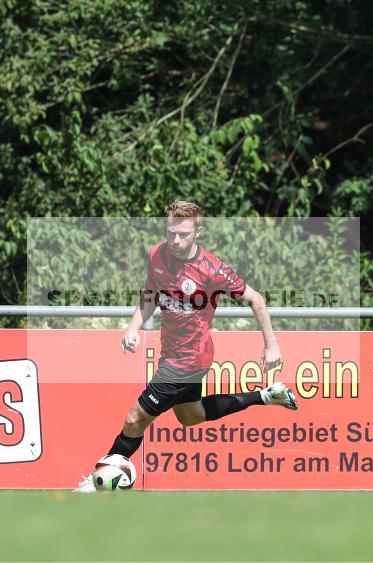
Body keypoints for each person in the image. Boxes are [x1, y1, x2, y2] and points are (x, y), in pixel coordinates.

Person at [75, 201, 297, 492]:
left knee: (135, 419)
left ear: (198, 233)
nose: (176, 241)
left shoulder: (212, 269)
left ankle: (98, 481)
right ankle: (266, 396)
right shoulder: (157, 254)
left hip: (188, 360)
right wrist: (133, 327)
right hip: (173, 354)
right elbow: (150, 292)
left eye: (183, 235)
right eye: (171, 233)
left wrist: (272, 345)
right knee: (191, 417)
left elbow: (255, 299)